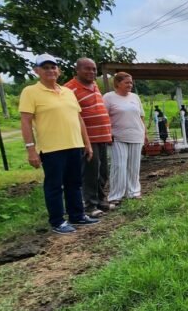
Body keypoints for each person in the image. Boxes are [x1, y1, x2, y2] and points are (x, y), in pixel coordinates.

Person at [19, 54, 100, 234]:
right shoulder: (30, 92)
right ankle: (57, 221)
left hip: (74, 145)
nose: (50, 71)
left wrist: (86, 143)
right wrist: (30, 149)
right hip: (51, 148)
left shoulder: (67, 92)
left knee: (75, 183)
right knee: (55, 185)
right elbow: (25, 121)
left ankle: (77, 215)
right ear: (36, 70)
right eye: (45, 67)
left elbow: (78, 118)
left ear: (59, 70)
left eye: (53, 67)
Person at [64, 58, 112, 216]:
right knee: (90, 172)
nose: (91, 72)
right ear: (77, 70)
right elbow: (72, 115)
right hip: (88, 138)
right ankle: (90, 205)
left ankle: (101, 200)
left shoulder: (95, 85)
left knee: (103, 171)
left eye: (94, 69)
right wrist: (84, 141)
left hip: (102, 135)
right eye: (87, 69)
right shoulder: (69, 89)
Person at [104, 72, 147, 204]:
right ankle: (115, 196)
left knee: (134, 166)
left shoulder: (135, 97)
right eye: (126, 82)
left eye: (131, 82)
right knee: (119, 166)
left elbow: (141, 116)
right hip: (117, 136)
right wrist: (107, 133)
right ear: (117, 83)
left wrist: (145, 133)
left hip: (136, 134)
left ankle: (133, 192)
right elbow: (104, 117)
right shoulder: (109, 97)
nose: (130, 85)